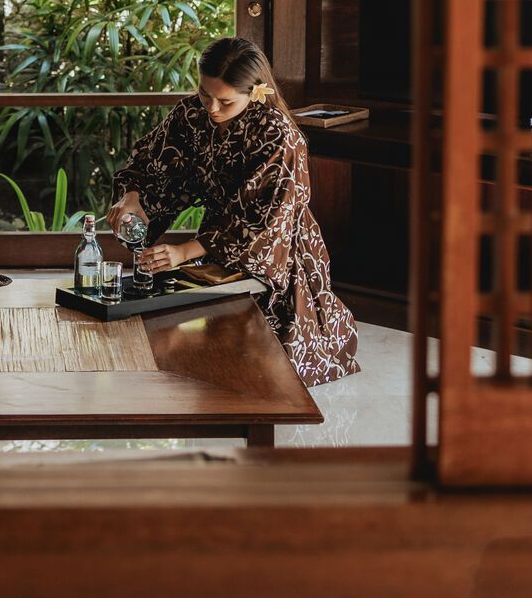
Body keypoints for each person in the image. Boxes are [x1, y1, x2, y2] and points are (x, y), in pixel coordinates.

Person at [107, 35, 358, 387]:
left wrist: (185, 251)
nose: (211, 108)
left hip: (274, 244)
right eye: (204, 94)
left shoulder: (278, 135)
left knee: (260, 366)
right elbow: (150, 160)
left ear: (255, 92)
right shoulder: (191, 113)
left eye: (225, 101)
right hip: (217, 236)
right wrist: (131, 197)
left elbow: (263, 220)